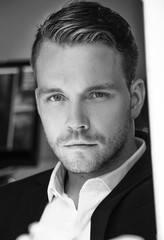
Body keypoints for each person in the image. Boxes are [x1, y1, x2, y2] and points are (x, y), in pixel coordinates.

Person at [0, 1, 156, 240]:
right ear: (38, 103)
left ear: (134, 99)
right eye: (56, 97)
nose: (75, 122)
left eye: (96, 95)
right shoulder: (5, 205)